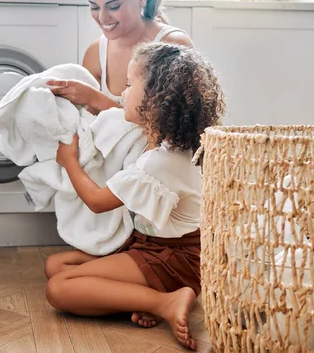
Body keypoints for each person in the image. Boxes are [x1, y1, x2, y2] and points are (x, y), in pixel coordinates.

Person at [44, 43, 226, 350]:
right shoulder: (167, 140)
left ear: (153, 102)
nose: (122, 94)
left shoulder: (161, 161)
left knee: (58, 288)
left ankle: (165, 301)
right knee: (57, 266)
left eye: (129, 86)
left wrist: (69, 161)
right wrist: (90, 98)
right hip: (154, 247)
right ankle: (148, 298)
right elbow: (119, 111)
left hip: (173, 259)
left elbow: (98, 202)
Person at [47, 0, 193, 114]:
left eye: (113, 6)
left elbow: (170, 128)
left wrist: (94, 98)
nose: (102, 17)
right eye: (94, 7)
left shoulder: (173, 46)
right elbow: (90, 125)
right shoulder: (95, 54)